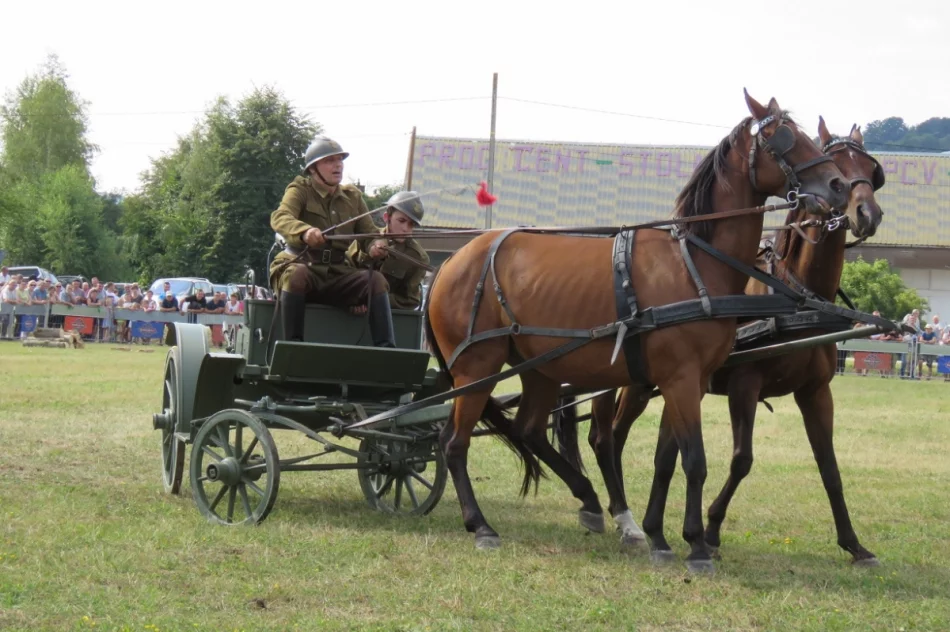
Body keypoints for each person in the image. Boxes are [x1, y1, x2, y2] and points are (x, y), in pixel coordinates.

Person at [269, 135, 395, 346]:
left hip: (337, 273)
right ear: (312, 169)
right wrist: (305, 232)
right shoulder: (300, 190)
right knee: (295, 274)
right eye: (329, 161)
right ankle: (293, 347)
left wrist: (375, 247)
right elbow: (280, 217)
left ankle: (386, 350)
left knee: (376, 280)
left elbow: (368, 234)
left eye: (340, 160)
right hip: (303, 265)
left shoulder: (352, 197)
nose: (337, 165)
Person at [347, 191, 430, 311]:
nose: (406, 229)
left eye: (411, 224)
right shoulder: (367, 238)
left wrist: (374, 300)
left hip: (387, 316)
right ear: (387, 217)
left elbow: (410, 300)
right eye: (401, 221)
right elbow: (345, 270)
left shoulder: (418, 257)